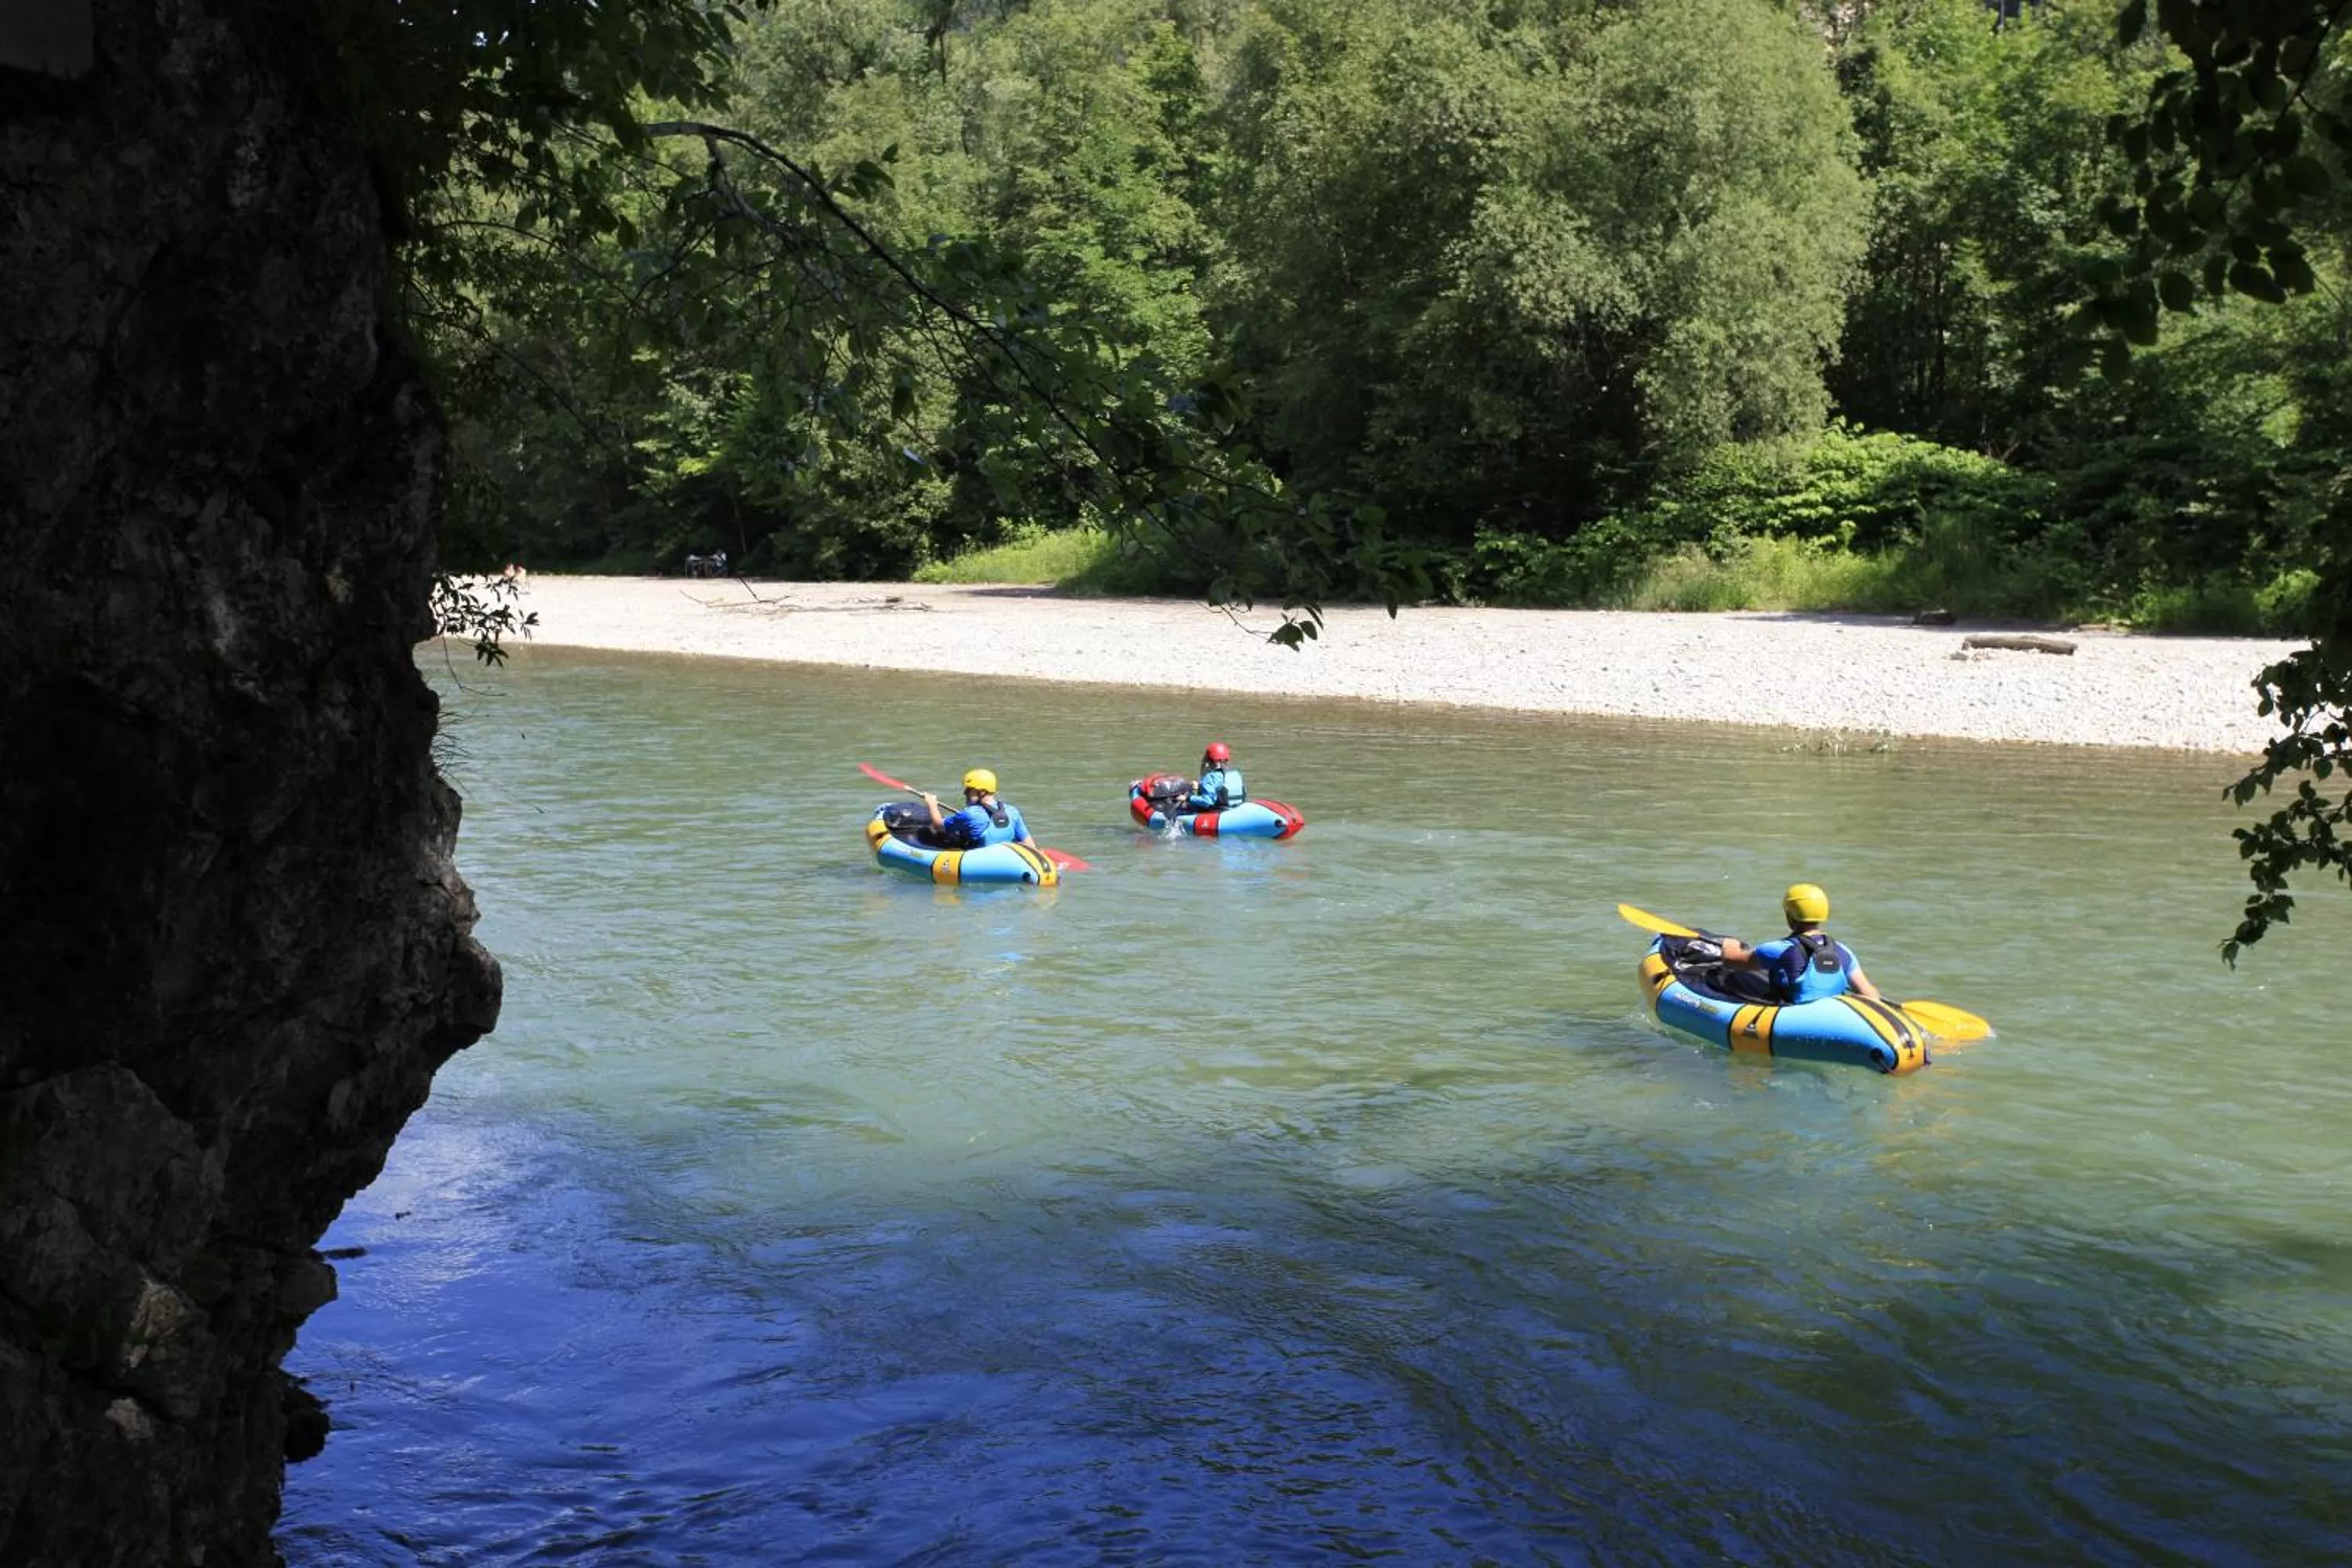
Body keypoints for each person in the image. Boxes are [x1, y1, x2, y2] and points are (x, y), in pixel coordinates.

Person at [1691, 883, 1881, 1005]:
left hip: (1791, 1014)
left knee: (1729, 975)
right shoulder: (1843, 952)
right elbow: (1869, 994)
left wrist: (1729, 942)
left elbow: (1733, 960)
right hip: (1830, 1014)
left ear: (1789, 916)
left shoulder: (1779, 950)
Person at [920, 768, 1033, 850]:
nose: (965, 793)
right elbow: (1029, 844)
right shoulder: (1012, 811)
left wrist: (932, 804)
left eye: (969, 790)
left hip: (979, 862)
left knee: (934, 833)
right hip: (1006, 859)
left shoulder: (970, 814)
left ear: (982, 792)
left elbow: (939, 827)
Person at [1185, 742, 1247, 812]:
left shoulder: (1210, 777)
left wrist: (1188, 798)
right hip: (1235, 809)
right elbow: (1220, 788)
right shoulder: (1233, 774)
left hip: (1217, 813)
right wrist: (1200, 786)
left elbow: (1208, 801)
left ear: (1209, 761)